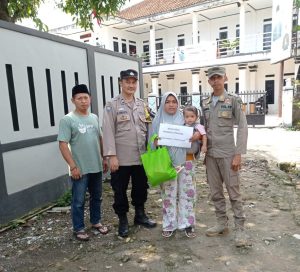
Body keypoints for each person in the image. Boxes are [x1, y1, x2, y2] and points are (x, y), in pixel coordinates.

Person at [102, 69, 156, 238]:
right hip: (121, 158)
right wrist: (111, 156)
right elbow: (108, 131)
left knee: (141, 188)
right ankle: (123, 219)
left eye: (134, 82)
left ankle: (140, 215)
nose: (131, 85)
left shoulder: (142, 104)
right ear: (121, 82)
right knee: (120, 190)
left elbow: (149, 127)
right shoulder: (113, 105)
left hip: (141, 156)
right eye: (127, 82)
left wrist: (153, 147)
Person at [202, 66, 250, 247]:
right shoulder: (205, 103)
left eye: (218, 77)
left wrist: (238, 153)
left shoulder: (233, 100)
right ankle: (222, 223)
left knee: (234, 193)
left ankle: (240, 230)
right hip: (211, 156)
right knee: (215, 193)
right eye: (212, 78)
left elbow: (243, 128)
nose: (215, 81)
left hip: (228, 155)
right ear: (208, 81)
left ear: (225, 78)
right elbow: (203, 129)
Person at [57, 84, 109, 241]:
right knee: (78, 201)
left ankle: (96, 221)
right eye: (79, 98)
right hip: (79, 169)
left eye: (86, 98)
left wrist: (104, 157)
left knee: (97, 197)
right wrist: (73, 166)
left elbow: (100, 139)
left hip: (96, 166)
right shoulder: (68, 120)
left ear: (90, 99)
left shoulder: (94, 117)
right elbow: (62, 144)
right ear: (73, 100)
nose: (83, 101)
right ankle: (78, 228)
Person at [151, 92, 201, 238]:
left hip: (187, 161)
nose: (171, 104)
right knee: (168, 194)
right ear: (163, 104)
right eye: (168, 101)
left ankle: (187, 224)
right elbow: (151, 140)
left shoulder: (185, 116)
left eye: (174, 101)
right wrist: (155, 141)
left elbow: (199, 129)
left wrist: (197, 135)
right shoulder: (157, 120)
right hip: (167, 163)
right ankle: (169, 224)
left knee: (188, 193)